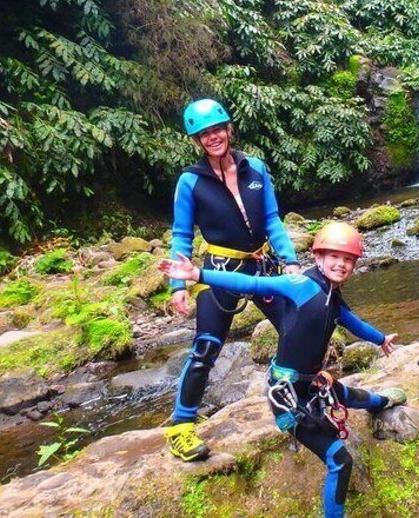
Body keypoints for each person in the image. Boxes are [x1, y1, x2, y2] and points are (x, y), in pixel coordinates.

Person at [160, 222, 406, 518]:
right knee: (340, 460)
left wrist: (381, 340)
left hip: (312, 385)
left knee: (349, 394)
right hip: (288, 396)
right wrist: (197, 274)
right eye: (334, 257)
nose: (341, 264)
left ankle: (383, 402)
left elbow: (353, 323)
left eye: (348, 260)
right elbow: (251, 285)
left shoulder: (333, 297)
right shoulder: (298, 285)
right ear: (318, 258)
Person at [165, 98, 301, 462]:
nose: (212, 137)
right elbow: (181, 235)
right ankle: (180, 428)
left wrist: (290, 261)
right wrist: (178, 286)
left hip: (262, 265)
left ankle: (283, 395)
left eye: (217, 130)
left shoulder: (254, 168)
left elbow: (272, 219)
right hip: (219, 271)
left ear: (229, 129)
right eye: (204, 133)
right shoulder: (190, 181)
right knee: (206, 347)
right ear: (196, 140)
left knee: (297, 329)